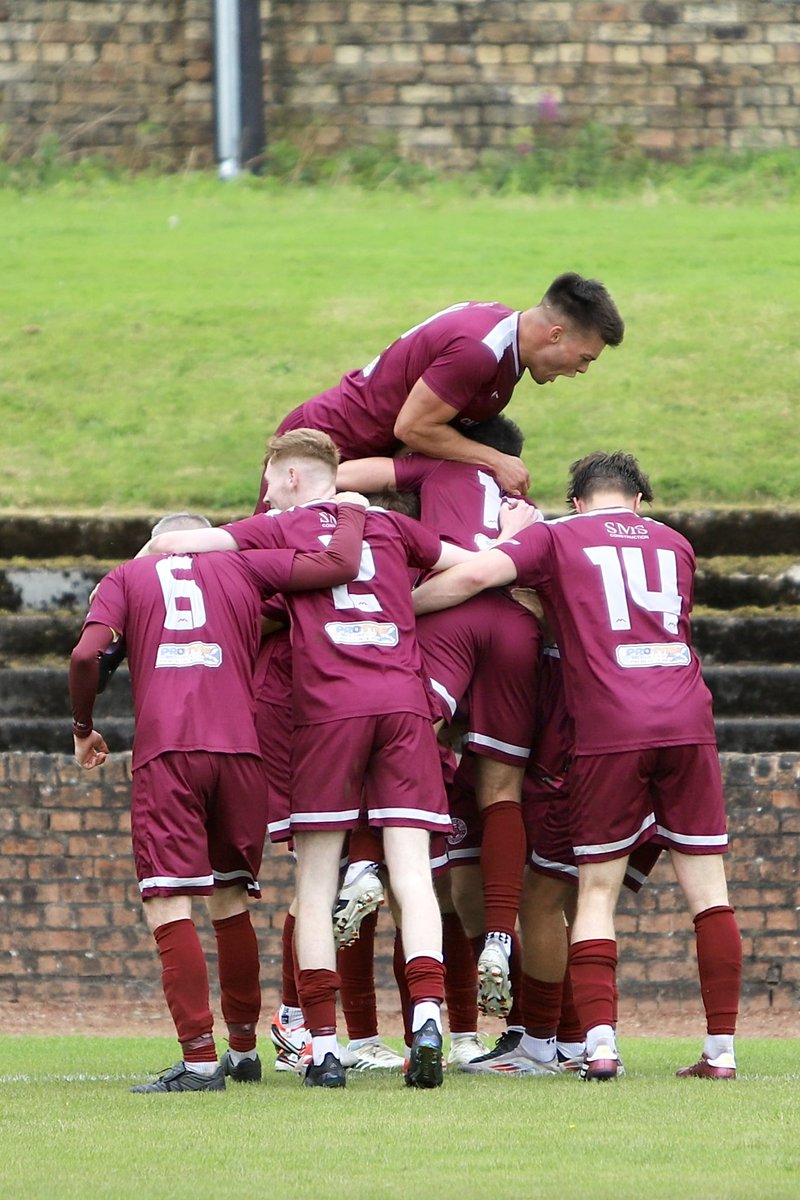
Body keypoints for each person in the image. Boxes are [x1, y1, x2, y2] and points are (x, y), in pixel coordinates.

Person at [147, 429, 482, 1089]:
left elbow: (175, 545)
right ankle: (427, 1021)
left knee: (318, 878)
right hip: (403, 703)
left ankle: (323, 1045)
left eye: (269, 479)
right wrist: (401, 612)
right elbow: (470, 569)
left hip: (330, 710)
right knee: (412, 873)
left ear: (293, 477)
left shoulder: (278, 526)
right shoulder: (388, 523)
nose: (266, 492)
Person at [412, 450, 742, 1081]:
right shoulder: (676, 544)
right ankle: (720, 1052)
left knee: (590, 892)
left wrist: (402, 607)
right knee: (711, 897)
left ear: (576, 501)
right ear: (640, 499)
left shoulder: (557, 536)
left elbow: (472, 578)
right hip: (688, 720)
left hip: (607, 726)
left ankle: (596, 1047)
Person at [69, 501, 367, 1093]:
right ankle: (242, 1049)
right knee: (230, 900)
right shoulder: (246, 565)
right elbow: (324, 579)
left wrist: (83, 728)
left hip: (169, 753)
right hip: (241, 752)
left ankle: (200, 1061)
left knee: (167, 901)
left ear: (154, 544)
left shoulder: (126, 576)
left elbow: (85, 655)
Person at [256, 273, 624, 503]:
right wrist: (497, 460)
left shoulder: (505, 345)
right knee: (269, 579)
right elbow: (413, 428)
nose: (582, 370)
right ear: (555, 334)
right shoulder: (479, 352)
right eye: (585, 357)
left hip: (360, 457)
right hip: (321, 444)